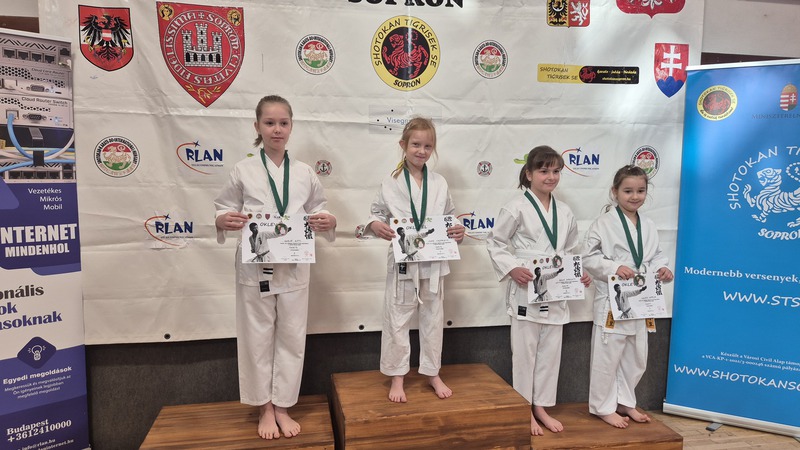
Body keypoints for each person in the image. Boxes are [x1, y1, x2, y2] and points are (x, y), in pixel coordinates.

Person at [214, 95, 337, 440]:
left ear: (291, 126)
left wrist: (328, 221)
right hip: (256, 264)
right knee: (256, 336)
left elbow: (320, 208)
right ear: (257, 126)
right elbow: (223, 207)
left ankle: (283, 405)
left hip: (294, 263)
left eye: (283, 123)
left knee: (292, 335)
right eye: (269, 123)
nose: (277, 129)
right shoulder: (243, 169)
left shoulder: (304, 172)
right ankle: (264, 407)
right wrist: (223, 219)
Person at [486, 145, 591, 436]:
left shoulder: (565, 211)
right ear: (529, 173)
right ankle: (524, 408)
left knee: (550, 353)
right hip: (527, 283)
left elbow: (571, 250)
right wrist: (511, 268)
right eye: (544, 171)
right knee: (524, 353)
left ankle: (541, 406)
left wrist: (577, 273)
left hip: (556, 286)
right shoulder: (515, 207)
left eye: (556, 171)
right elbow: (495, 242)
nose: (551, 176)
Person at [364, 117, 466, 403]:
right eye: (416, 145)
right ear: (403, 145)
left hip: (433, 260)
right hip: (404, 260)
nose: (421, 151)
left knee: (433, 318)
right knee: (397, 318)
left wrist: (457, 229)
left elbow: (450, 216)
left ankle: (432, 372)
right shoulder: (390, 182)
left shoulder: (439, 182)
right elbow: (375, 213)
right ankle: (398, 376)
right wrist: (374, 225)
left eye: (427, 146)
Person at [583, 165, 674, 428]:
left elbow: (656, 256)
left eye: (640, 191)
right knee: (607, 355)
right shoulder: (603, 223)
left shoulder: (649, 225)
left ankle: (625, 401)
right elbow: (588, 257)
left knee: (636, 355)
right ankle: (602, 407)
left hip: (642, 298)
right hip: (614, 299)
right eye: (628, 191)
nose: (635, 196)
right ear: (615, 191)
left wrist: (662, 269)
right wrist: (613, 267)